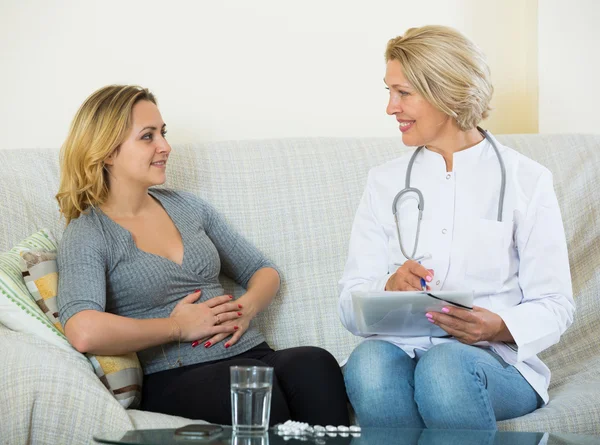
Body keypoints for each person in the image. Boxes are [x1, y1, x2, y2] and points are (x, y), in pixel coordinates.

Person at [56, 85, 349, 426]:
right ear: (107, 151)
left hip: (250, 353)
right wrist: (177, 327)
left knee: (314, 363)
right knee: (250, 382)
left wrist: (246, 309)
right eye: (147, 137)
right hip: (176, 373)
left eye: (163, 134)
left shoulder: (186, 206)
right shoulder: (89, 231)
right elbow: (83, 329)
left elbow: (262, 270)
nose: (165, 146)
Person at [339, 25, 574, 430]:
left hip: (495, 363)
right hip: (400, 352)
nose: (391, 108)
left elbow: (556, 303)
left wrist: (499, 326)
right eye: (388, 91)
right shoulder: (384, 182)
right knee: (368, 365)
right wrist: (387, 287)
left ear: (444, 92)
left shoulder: (526, 180)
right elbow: (348, 303)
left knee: (444, 368)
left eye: (404, 93)